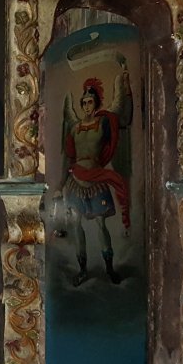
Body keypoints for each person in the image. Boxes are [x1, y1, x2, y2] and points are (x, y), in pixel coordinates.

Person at [58, 67, 133, 286]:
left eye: (90, 102)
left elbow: (124, 115)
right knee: (76, 225)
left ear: (96, 103)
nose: (86, 106)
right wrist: (60, 186)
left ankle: (109, 268)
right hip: (76, 181)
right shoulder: (74, 128)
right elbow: (68, 159)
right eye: (83, 102)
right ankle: (82, 269)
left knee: (101, 224)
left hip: (97, 179)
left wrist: (124, 85)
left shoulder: (104, 122)